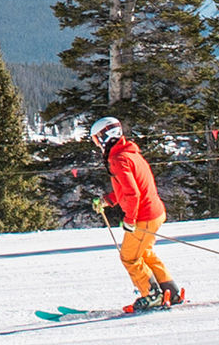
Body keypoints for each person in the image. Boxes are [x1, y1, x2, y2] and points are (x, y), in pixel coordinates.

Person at [89, 117, 183, 311]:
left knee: (129, 257)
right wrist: (108, 200)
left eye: (97, 139)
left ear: (106, 136)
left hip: (144, 216)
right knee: (145, 253)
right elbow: (128, 188)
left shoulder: (118, 159)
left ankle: (151, 294)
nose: (97, 144)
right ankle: (169, 291)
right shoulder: (129, 153)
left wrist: (129, 219)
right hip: (154, 212)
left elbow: (133, 193)